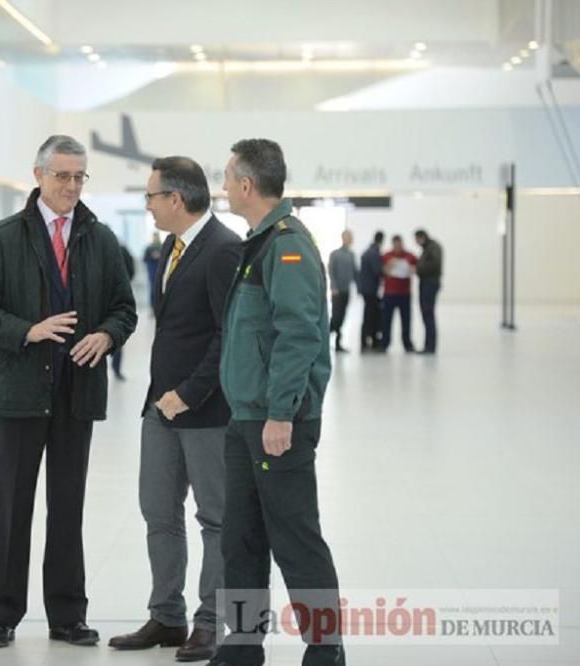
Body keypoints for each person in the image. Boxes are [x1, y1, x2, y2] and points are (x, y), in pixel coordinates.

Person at [0, 135, 137, 649]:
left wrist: (107, 335)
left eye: (79, 176)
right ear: (37, 175)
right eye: (62, 175)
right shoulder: (5, 236)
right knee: (12, 506)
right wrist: (27, 330)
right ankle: (2, 614)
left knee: (68, 506)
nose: (71, 186)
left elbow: (123, 309)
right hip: (16, 393)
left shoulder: (100, 239)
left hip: (74, 394)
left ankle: (67, 615)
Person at [211, 139, 344, 666]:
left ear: (246, 185)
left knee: (294, 537)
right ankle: (243, 646)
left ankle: (325, 648)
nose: (222, 187)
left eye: (226, 178)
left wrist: (281, 413)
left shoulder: (287, 245)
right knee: (239, 539)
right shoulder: (260, 241)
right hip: (244, 417)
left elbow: (298, 334)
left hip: (275, 420)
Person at [107, 157, 239, 662]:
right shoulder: (172, 246)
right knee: (159, 512)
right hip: (160, 407)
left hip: (205, 410)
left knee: (215, 519)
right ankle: (167, 616)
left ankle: (210, 623)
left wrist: (190, 392)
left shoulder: (224, 249)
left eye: (152, 196)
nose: (149, 205)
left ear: (177, 199)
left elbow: (229, 336)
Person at [380, 234, 418, 353]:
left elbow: (417, 267)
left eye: (399, 244)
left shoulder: (410, 256)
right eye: (395, 245)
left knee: (406, 320)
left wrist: (412, 269)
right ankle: (384, 344)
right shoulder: (386, 256)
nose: (397, 247)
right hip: (389, 293)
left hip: (404, 293)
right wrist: (389, 266)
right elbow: (382, 271)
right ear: (393, 245)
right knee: (386, 320)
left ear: (402, 244)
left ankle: (407, 344)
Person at [327, 230, 357, 353]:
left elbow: (355, 272)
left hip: (346, 290)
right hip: (337, 291)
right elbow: (331, 271)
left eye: (351, 237)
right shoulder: (335, 254)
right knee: (336, 317)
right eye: (348, 237)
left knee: (343, 316)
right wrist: (334, 287)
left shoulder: (351, 255)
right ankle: (324, 337)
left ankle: (338, 344)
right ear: (343, 238)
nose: (350, 239)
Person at [414, 229, 443, 354]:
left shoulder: (433, 247)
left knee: (428, 315)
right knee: (426, 315)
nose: (416, 243)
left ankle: (430, 347)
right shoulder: (429, 248)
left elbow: (435, 265)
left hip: (429, 284)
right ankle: (428, 346)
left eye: (417, 239)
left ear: (422, 237)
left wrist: (418, 268)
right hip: (426, 283)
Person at [110, 243, 136, 381]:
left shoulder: (117, 249)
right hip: (117, 295)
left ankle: (116, 368)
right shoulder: (121, 248)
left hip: (108, 297)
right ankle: (116, 369)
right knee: (114, 334)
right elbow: (131, 269)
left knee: (113, 333)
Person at [358, 230, 385, 352]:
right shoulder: (374, 253)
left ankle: (366, 341)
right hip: (371, 290)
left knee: (369, 315)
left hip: (366, 289)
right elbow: (378, 271)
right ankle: (368, 342)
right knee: (371, 316)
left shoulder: (367, 252)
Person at [143, 232, 163, 315]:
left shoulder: (163, 247)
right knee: (152, 290)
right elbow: (144, 259)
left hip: (161, 273)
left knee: (161, 290)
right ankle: (152, 308)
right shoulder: (149, 248)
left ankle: (160, 308)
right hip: (152, 272)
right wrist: (153, 256)